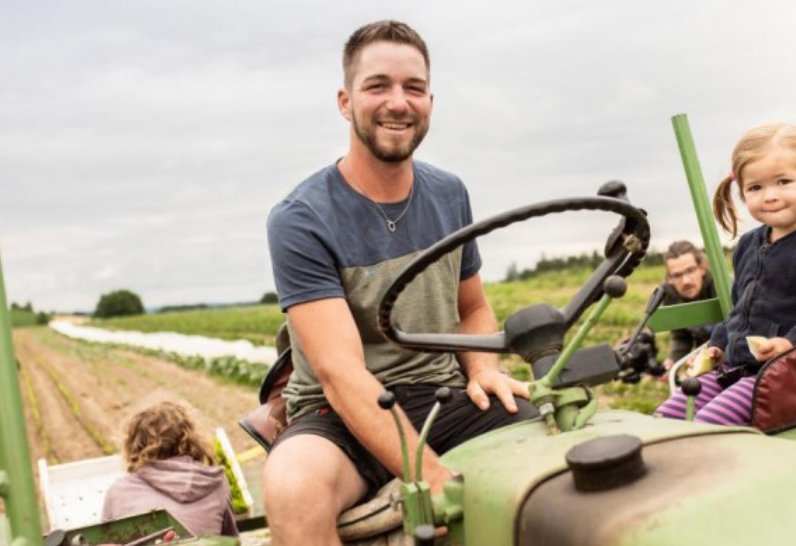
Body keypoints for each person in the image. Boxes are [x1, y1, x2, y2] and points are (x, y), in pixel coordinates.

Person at [263, 20, 536, 546]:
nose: (398, 102)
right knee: (292, 487)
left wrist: (483, 369)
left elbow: (473, 309)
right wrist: (429, 474)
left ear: (430, 100)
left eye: (414, 88)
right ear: (346, 102)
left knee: (556, 444)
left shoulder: (449, 193)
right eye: (378, 86)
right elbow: (340, 374)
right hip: (339, 416)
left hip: (441, 395)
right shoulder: (301, 218)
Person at [655, 124, 796, 425]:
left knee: (704, 428)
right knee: (665, 421)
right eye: (755, 188)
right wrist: (718, 345)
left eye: (784, 182)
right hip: (735, 368)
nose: (770, 196)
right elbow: (739, 311)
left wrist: (790, 343)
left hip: (784, 377)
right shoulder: (748, 244)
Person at [102, 401, 239, 537]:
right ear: (191, 439)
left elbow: (104, 540)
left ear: (134, 444)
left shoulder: (118, 491)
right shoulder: (214, 482)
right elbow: (231, 541)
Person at [660, 240, 718, 369]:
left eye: (690, 270)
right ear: (669, 278)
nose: (685, 281)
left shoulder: (721, 286)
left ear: (702, 268)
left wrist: (703, 353)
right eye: (677, 275)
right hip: (703, 361)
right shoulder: (670, 295)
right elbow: (682, 337)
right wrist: (673, 360)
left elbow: (736, 331)